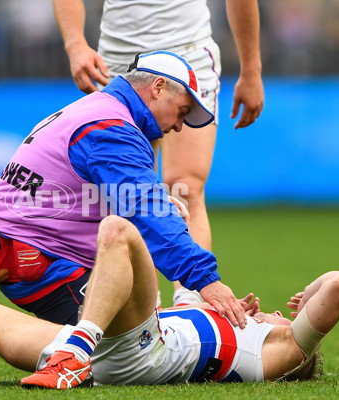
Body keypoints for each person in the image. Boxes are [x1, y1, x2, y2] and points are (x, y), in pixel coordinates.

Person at [0, 215, 339, 389]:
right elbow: (191, 236)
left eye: (285, 318)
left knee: (118, 230)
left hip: (139, 352)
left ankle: (74, 351)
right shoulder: (226, 321)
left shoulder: (278, 354)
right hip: (125, 344)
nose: (273, 313)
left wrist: (304, 301)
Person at [0, 50, 246, 329]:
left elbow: (74, 189)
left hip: (17, 252)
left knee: (133, 327)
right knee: (133, 350)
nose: (179, 126)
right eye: (182, 112)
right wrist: (207, 282)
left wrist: (156, 198)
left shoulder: (97, 108)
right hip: (46, 264)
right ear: (158, 88)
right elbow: (147, 212)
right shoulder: (113, 128)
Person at [53, 0, 264, 307]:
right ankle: (143, 310)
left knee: (184, 187)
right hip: (119, 60)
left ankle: (191, 306)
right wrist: (75, 45)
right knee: (124, 195)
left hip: (188, 51)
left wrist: (252, 69)